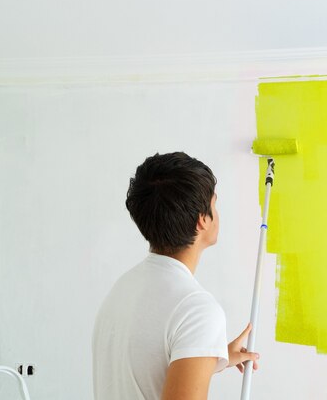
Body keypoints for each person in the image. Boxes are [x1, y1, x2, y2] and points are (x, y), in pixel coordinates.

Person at [92, 152, 259, 400]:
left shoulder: (123, 289)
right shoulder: (197, 311)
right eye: (214, 203)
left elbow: (144, 371)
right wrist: (200, 338)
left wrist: (208, 354)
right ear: (202, 220)